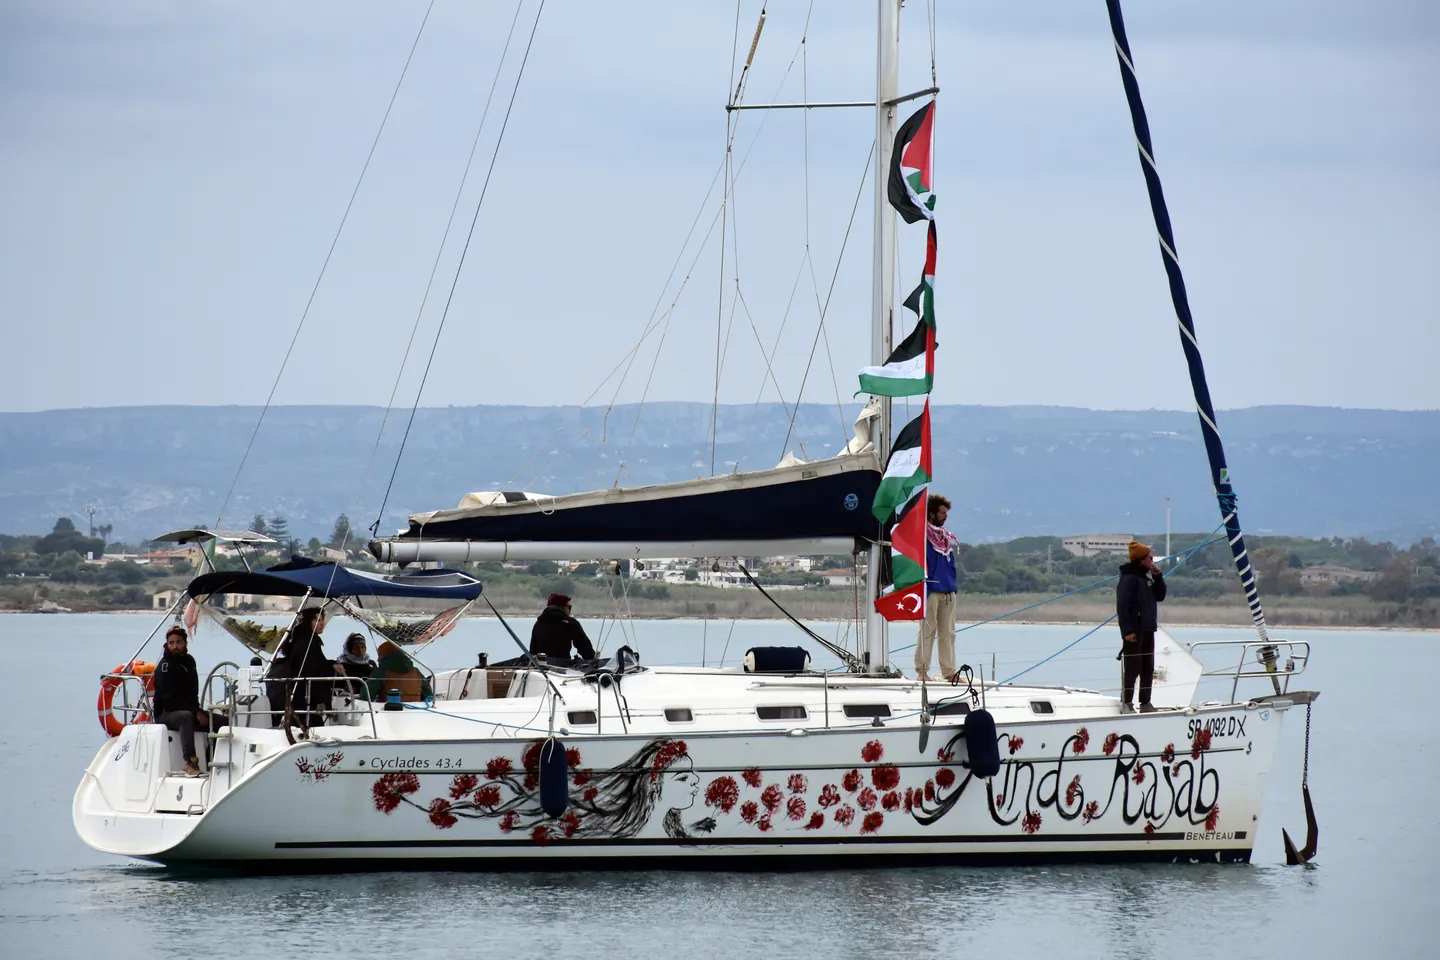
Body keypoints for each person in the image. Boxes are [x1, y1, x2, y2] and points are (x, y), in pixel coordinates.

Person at [1116, 539, 1168, 713]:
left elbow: (1160, 596)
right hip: (1134, 630)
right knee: (1133, 667)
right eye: (1149, 558)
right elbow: (1122, 606)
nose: (1152, 561)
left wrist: (1158, 577)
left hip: (1148, 628)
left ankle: (1145, 702)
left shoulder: (1146, 578)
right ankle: (1126, 702)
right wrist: (1127, 631)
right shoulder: (1129, 579)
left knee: (1147, 667)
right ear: (1141, 560)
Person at [152, 626, 209, 776]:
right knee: (186, 717)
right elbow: (169, 700)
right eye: (171, 643)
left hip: (189, 709)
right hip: (166, 713)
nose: (175, 646)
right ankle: (191, 763)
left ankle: (214, 760)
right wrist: (195, 713)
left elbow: (193, 693)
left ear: (185, 643)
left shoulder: (189, 661)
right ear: (167, 645)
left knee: (224, 722)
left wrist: (198, 711)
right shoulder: (164, 667)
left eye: (179, 642)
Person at [916, 494, 961, 683]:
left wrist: (953, 585)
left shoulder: (945, 538)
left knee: (948, 633)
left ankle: (949, 672)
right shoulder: (921, 536)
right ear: (932, 513)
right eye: (942, 513)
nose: (946, 516)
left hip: (948, 591)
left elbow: (951, 564)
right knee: (927, 631)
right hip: (930, 591)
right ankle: (922, 671)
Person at [278, 606, 344, 727]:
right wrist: (330, 666)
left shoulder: (300, 638)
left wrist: (330, 664)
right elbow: (313, 667)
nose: (322, 624)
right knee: (312, 725)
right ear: (308, 622)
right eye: (317, 620)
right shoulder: (307, 642)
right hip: (305, 696)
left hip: (299, 695)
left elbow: (315, 662)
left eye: (322, 620)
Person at [530, 593, 597, 663]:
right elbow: (585, 648)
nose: (570, 611)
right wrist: (592, 660)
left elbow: (532, 651)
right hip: (563, 666)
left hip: (541, 666)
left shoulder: (539, 623)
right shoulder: (571, 623)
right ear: (563, 607)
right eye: (569, 607)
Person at [367, 640, 433, 702]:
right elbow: (428, 695)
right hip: (415, 709)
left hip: (388, 709)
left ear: (383, 656)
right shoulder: (416, 672)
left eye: (379, 655)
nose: (378, 659)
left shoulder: (380, 672)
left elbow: (366, 696)